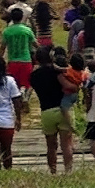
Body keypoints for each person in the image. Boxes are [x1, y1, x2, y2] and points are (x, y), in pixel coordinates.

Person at [30, 46, 74, 174]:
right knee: (66, 144)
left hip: (46, 111)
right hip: (63, 109)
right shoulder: (58, 72)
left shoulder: (33, 76)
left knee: (50, 145)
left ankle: (53, 171)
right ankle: (68, 171)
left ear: (36, 59)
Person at [0, 8, 38, 109]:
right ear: (22, 18)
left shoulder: (7, 31)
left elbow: (2, 48)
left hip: (12, 61)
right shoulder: (27, 30)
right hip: (26, 60)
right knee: (28, 83)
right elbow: (36, 44)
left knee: (15, 83)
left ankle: (17, 103)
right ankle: (24, 96)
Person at [59, 52, 87, 133]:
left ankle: (71, 125)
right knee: (73, 107)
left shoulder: (69, 71)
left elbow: (62, 72)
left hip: (67, 94)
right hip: (76, 94)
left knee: (64, 108)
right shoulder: (82, 73)